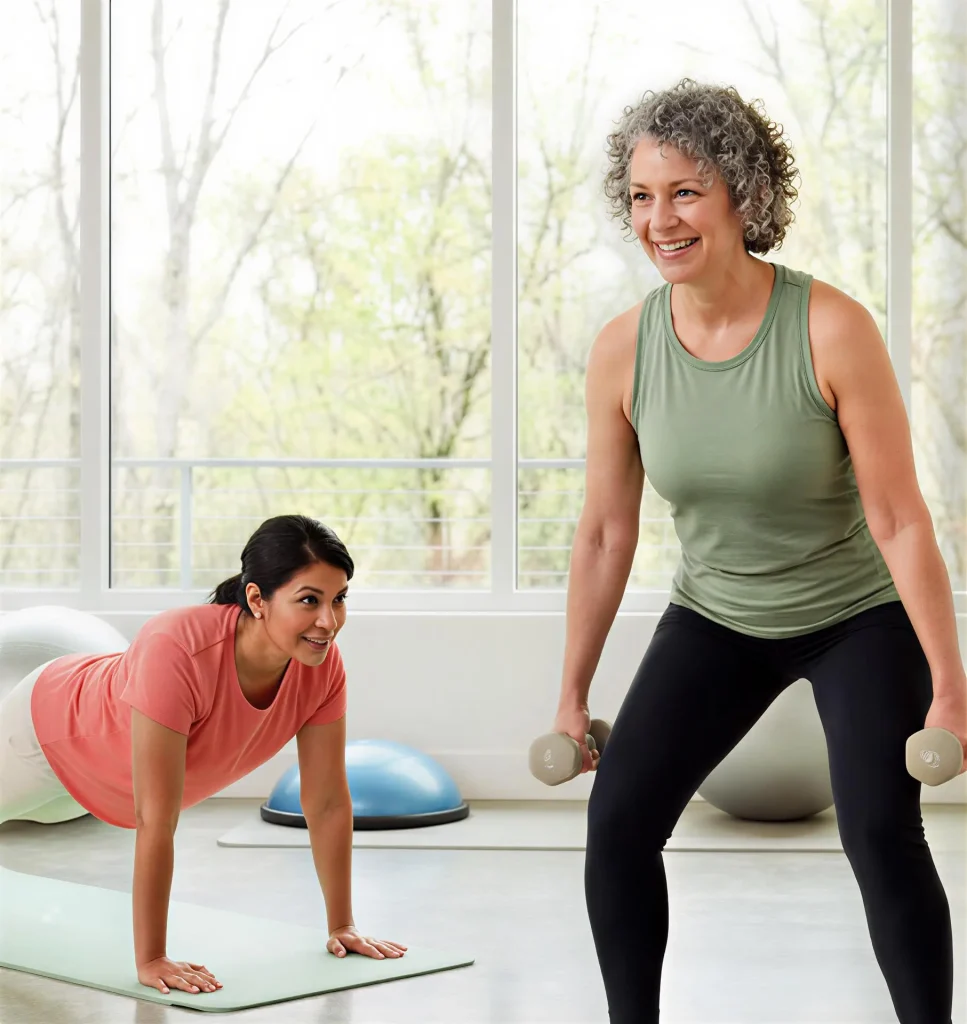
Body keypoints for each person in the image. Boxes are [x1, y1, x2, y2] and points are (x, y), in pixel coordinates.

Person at [551, 78, 966, 1024]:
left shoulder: (830, 328)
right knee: (616, 825)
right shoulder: (623, 350)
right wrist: (572, 694)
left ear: (741, 194)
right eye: (642, 196)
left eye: (685, 192)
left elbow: (900, 519)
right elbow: (606, 532)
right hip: (716, 614)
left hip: (852, 615)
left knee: (878, 832)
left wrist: (949, 685)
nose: (659, 220)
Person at [0, 514, 406, 996]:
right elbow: (157, 817)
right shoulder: (178, 647)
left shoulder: (319, 666)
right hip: (46, 736)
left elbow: (327, 803)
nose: (328, 621)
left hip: (91, 796)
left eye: (339, 599)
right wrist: (152, 958)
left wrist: (343, 925)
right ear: (257, 599)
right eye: (309, 601)